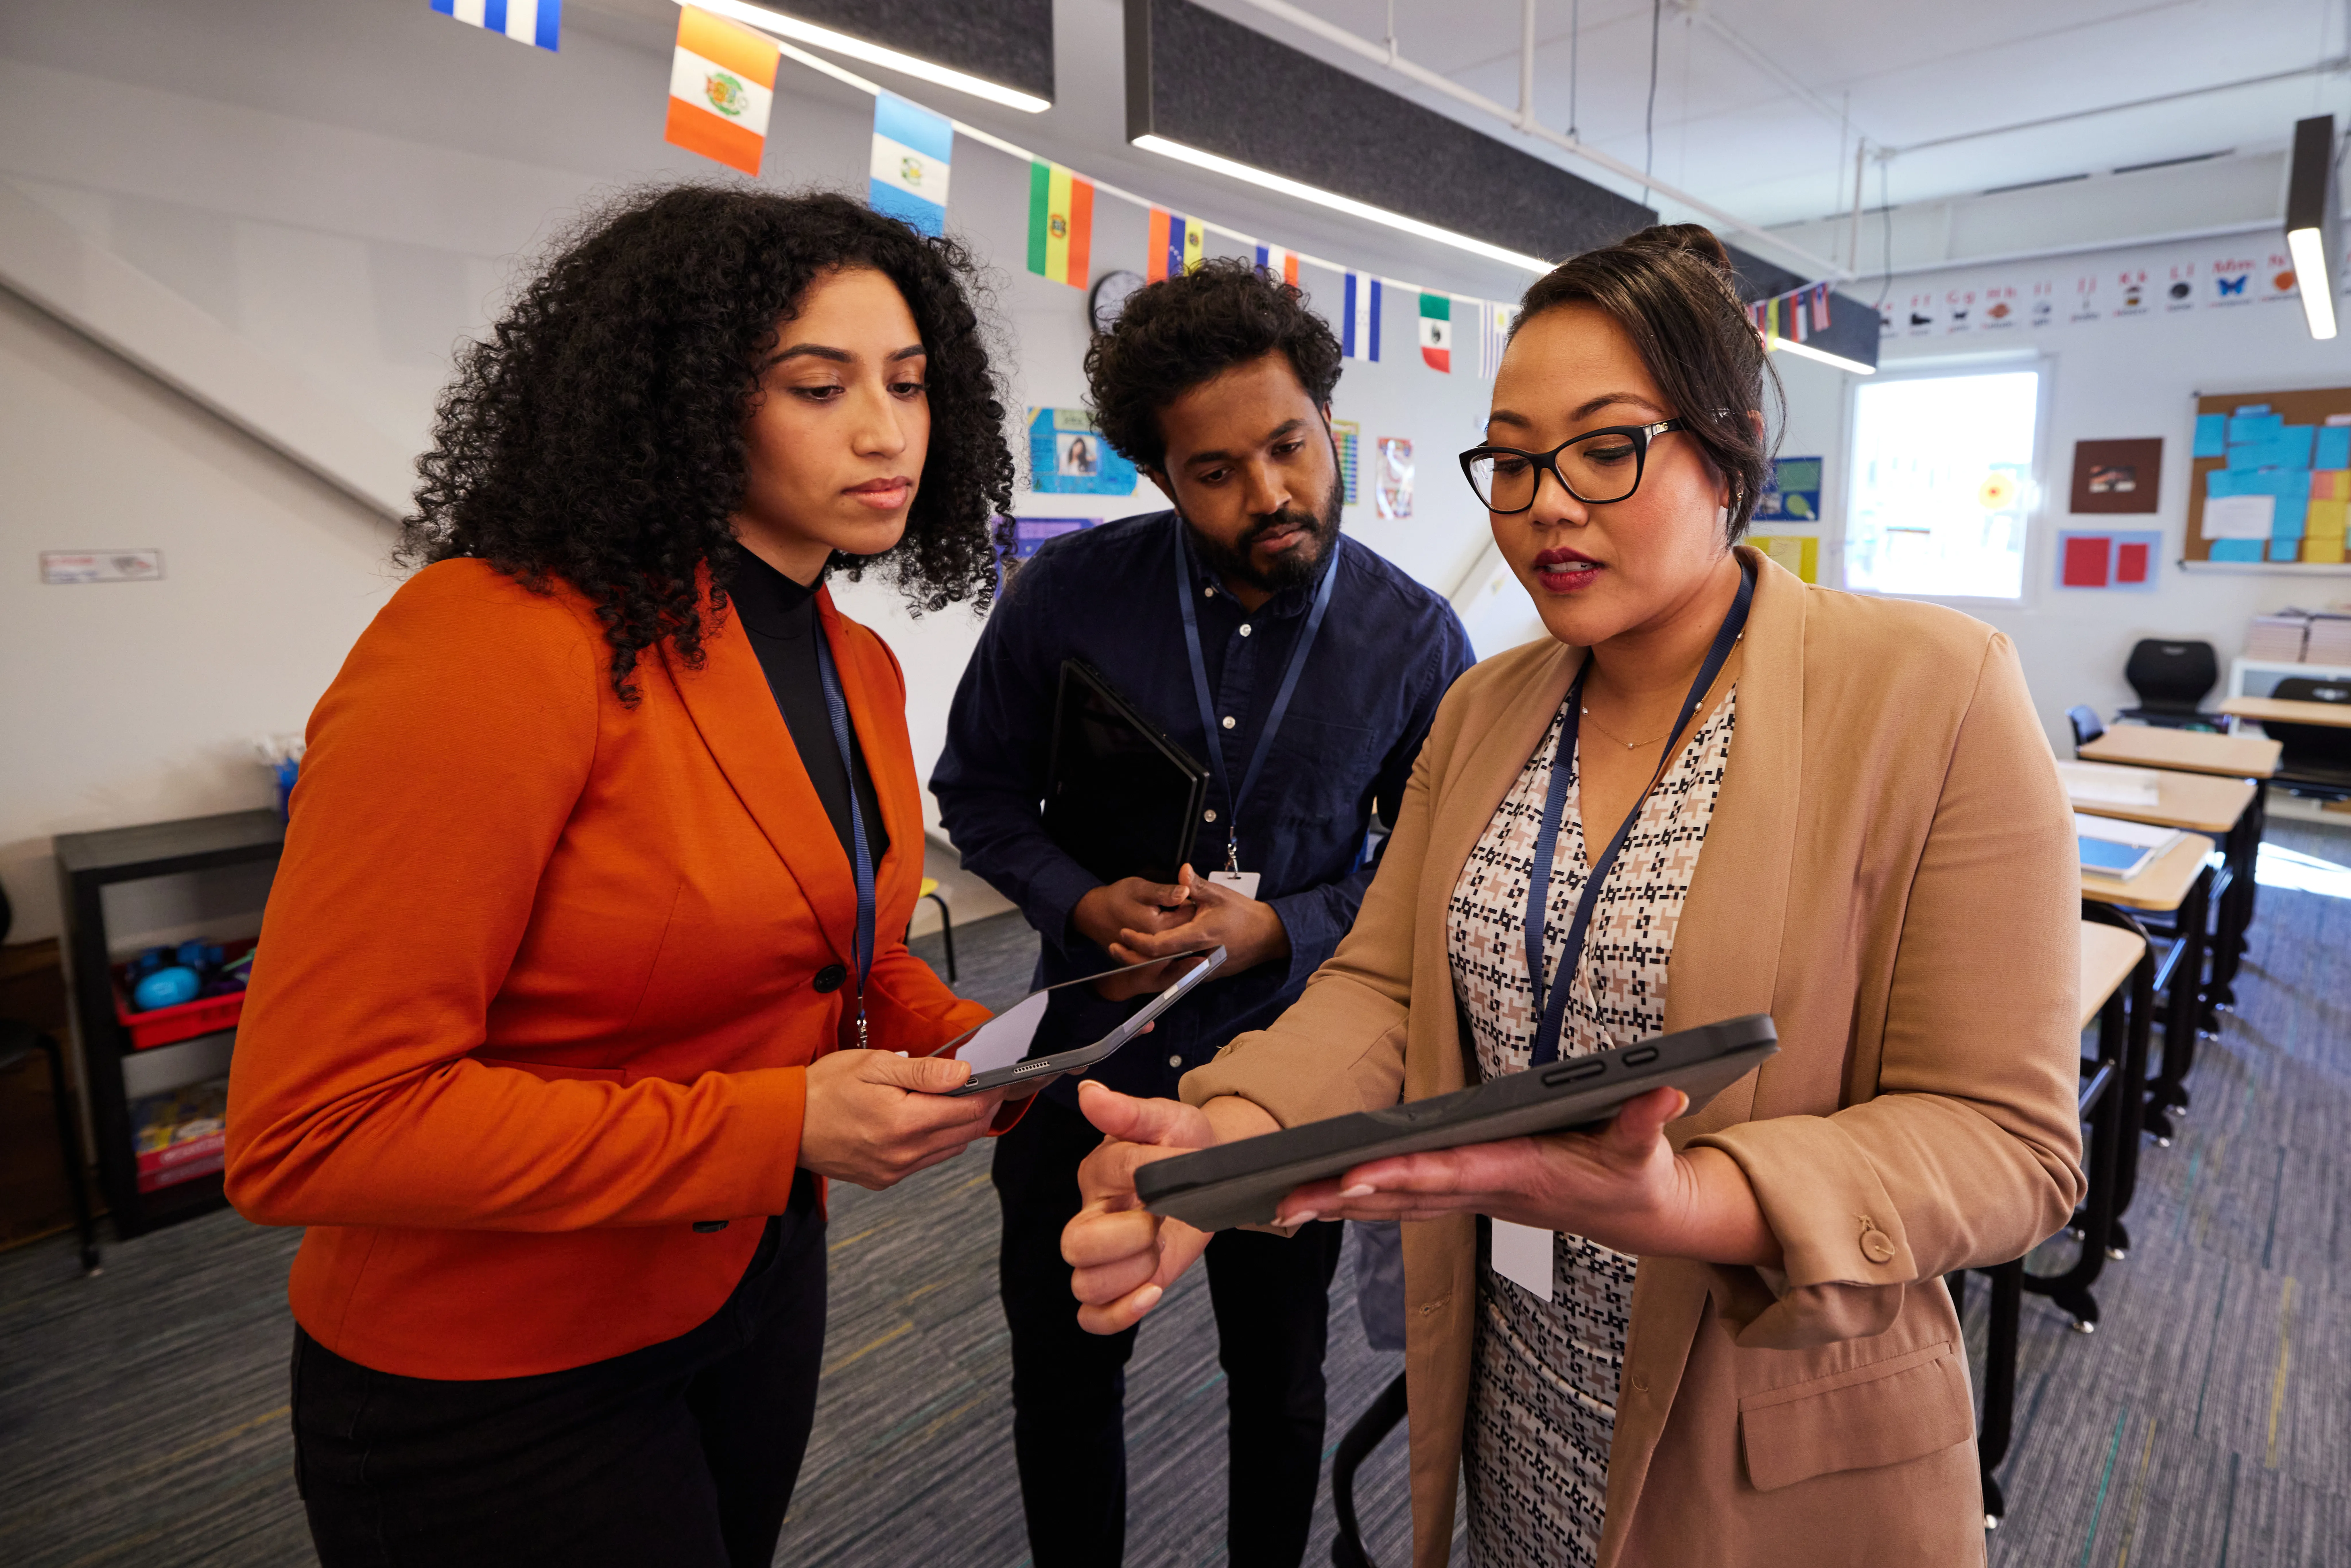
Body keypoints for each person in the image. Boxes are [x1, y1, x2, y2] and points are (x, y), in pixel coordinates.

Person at [1061, 226, 2085, 1566]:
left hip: (1758, 1414)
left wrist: (1689, 1200)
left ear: (1722, 449)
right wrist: (1237, 1130)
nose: (1546, 501)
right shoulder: (1490, 702)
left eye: (1606, 447)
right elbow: (1382, 983)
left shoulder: (1928, 692)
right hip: (1515, 1358)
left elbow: (2006, 1142)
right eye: (1512, 458)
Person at [224, 187, 1018, 1568]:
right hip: (496, 1370)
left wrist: (994, 1051)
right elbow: (318, 1125)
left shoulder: (853, 664)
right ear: (689, 396)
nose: (886, 432)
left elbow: (834, 944)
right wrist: (772, 1127)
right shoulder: (492, 639)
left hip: (752, 1283)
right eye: (817, 387)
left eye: (908, 382)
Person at [932, 258, 1476, 1567]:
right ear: (1163, 475)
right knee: (1063, 1376)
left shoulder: (1414, 641)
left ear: (1326, 421)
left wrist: (1280, 924)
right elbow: (977, 789)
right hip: (1085, 1063)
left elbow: (1436, 867)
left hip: (1282, 1076)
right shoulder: (1065, 598)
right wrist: (1073, 895)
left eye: (1288, 447)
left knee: (1278, 1385)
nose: (1268, 494)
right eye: (1214, 472)